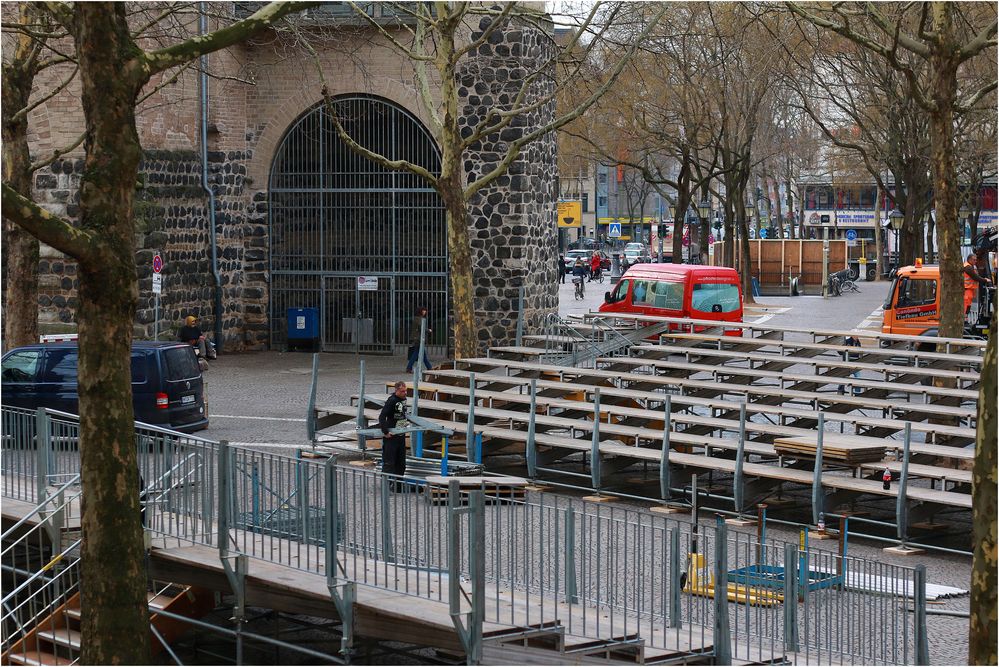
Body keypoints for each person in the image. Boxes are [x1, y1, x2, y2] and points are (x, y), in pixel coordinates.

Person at [379, 381, 409, 491]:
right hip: (391, 437)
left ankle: (398, 486)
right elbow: (382, 416)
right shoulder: (391, 401)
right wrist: (385, 432)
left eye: (406, 391)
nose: (405, 393)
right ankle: (386, 486)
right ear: (396, 390)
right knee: (389, 462)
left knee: (401, 463)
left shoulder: (403, 400)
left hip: (400, 435)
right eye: (402, 391)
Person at [406, 306, 433, 373]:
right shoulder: (419, 319)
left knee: (420, 354)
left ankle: (429, 367)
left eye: (425, 311)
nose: (425, 312)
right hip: (418, 338)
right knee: (417, 354)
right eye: (423, 310)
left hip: (417, 338)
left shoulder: (417, 318)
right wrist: (428, 330)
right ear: (420, 311)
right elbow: (421, 328)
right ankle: (409, 368)